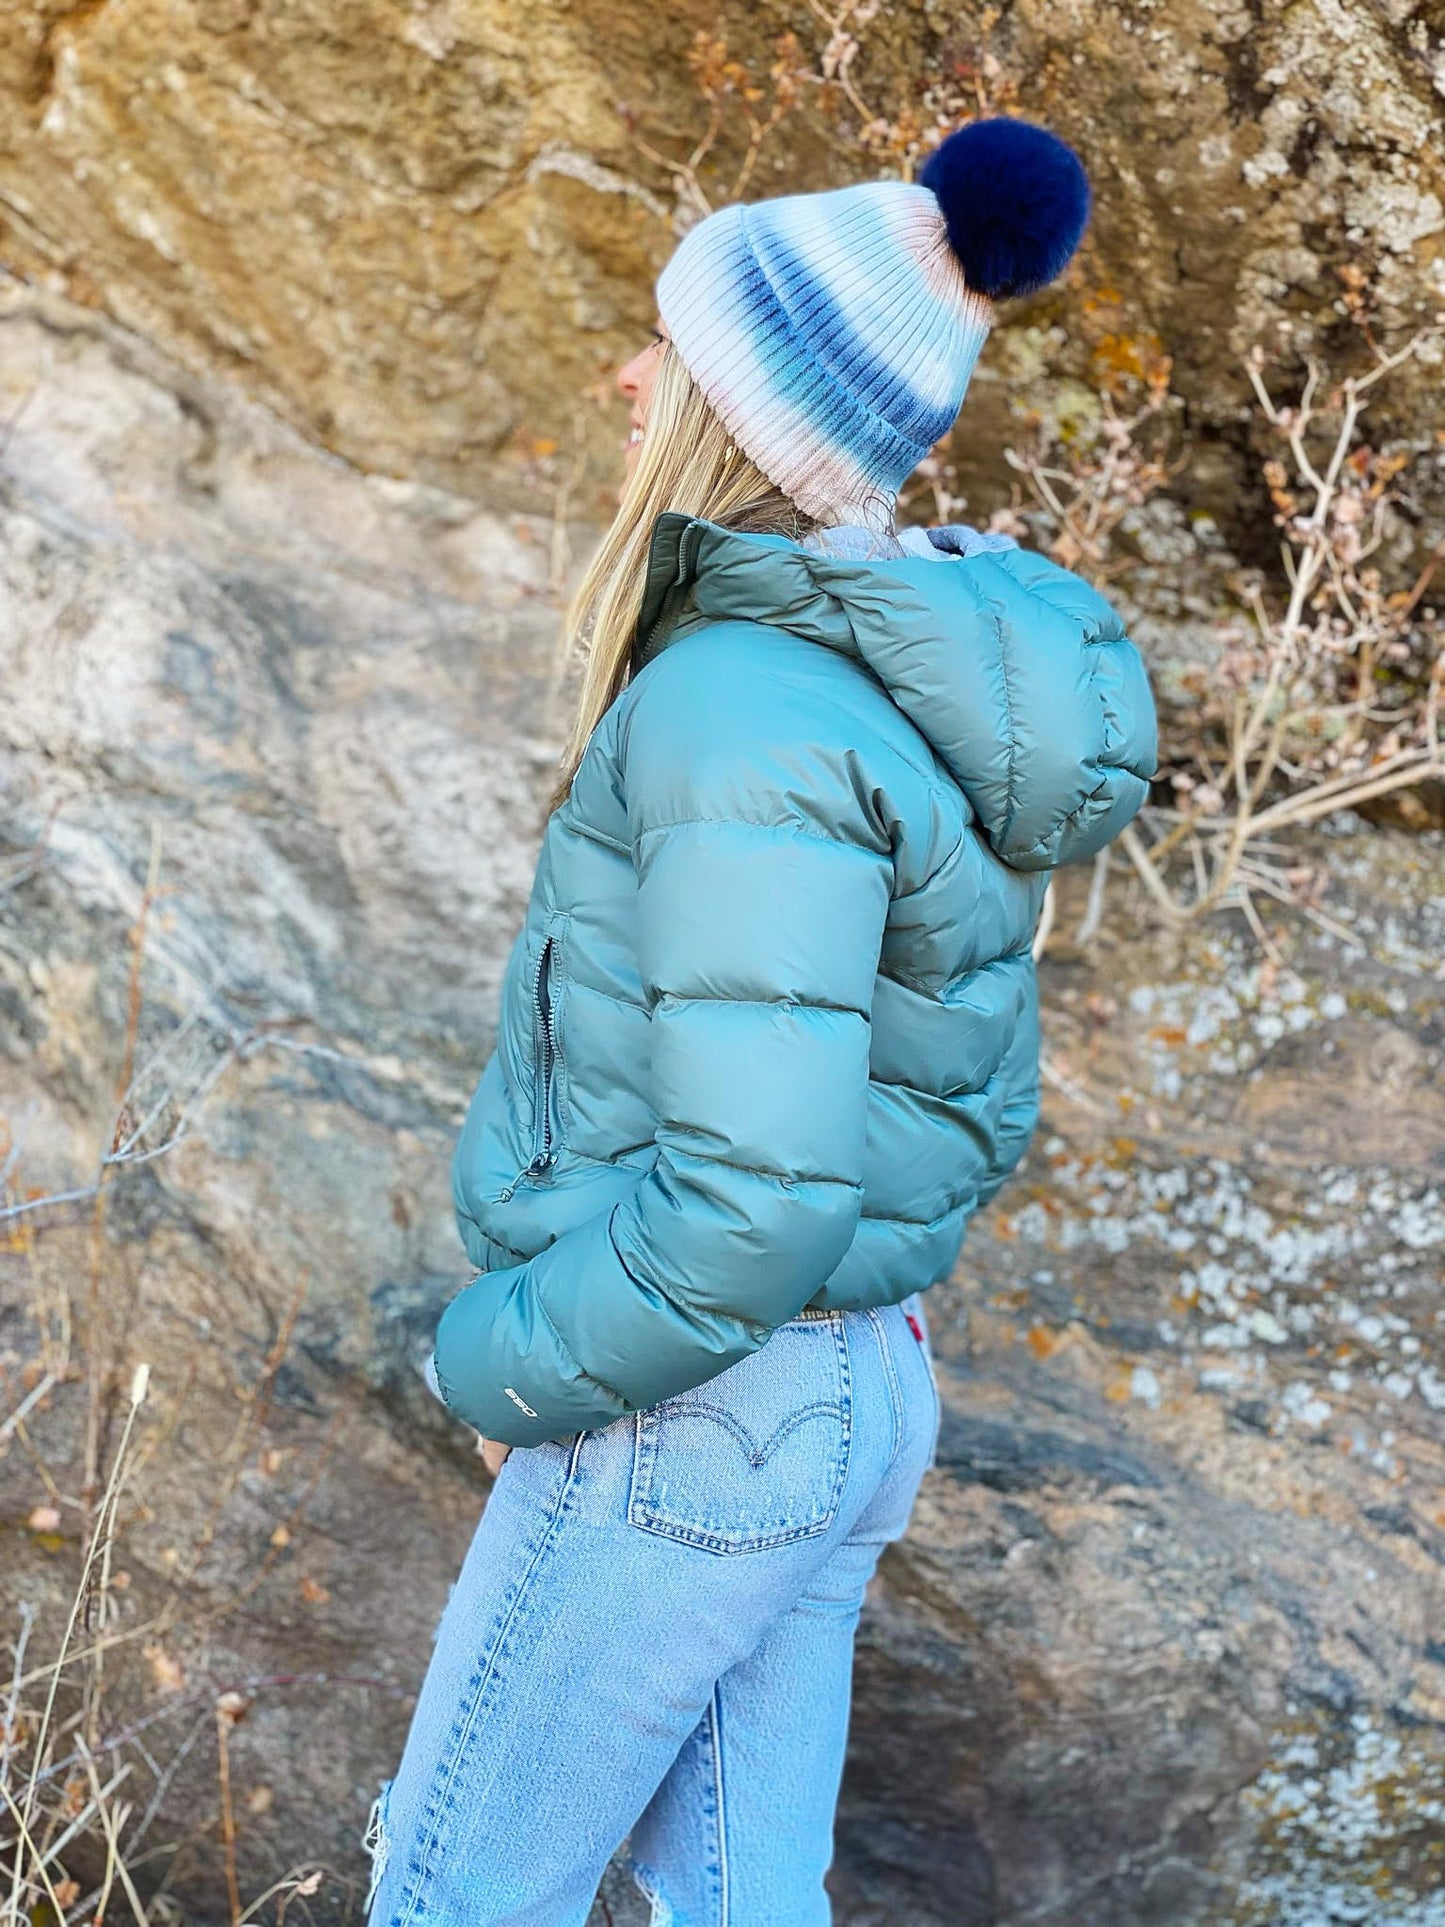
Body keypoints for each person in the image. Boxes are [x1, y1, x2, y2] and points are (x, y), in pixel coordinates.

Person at [364, 117, 1157, 1927]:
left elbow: (749, 1197)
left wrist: (495, 1357)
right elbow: (926, 1103)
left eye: (664, 345)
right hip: (842, 1386)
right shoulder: (870, 698)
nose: (621, 373)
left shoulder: (736, 706)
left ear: (732, 415)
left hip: (700, 1405)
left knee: (449, 1900)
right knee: (742, 1908)